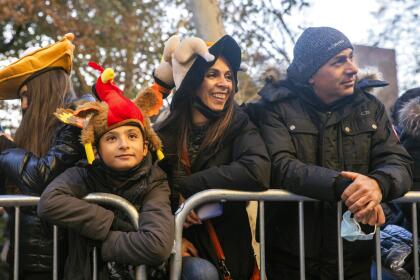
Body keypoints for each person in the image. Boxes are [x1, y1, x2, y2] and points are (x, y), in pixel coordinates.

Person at [254, 27, 412, 279]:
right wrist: (344, 186)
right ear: (310, 75)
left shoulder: (371, 108)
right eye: (339, 61)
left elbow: (398, 162)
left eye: (351, 57)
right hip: (290, 259)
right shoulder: (276, 108)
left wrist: (378, 184)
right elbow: (280, 165)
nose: (352, 68)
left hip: (354, 258)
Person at [148, 34, 270, 280]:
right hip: (176, 245)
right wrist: (173, 234)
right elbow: (144, 185)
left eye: (228, 76)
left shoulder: (240, 124)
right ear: (193, 82)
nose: (224, 83)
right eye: (213, 74)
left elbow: (257, 170)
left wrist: (190, 188)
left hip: (228, 248)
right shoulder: (163, 133)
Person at [37, 64, 174, 280]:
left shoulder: (155, 181)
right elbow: (49, 202)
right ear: (97, 151)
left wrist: (100, 242)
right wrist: (115, 224)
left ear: (146, 146)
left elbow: (156, 246)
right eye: (111, 138)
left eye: (132, 136)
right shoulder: (84, 174)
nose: (123, 145)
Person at [0, 33, 88, 279]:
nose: (24, 105)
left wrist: (4, 148)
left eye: (26, 95)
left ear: (44, 87)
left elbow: (44, 175)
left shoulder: (79, 114)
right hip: (24, 258)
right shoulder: (34, 131)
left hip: (63, 260)